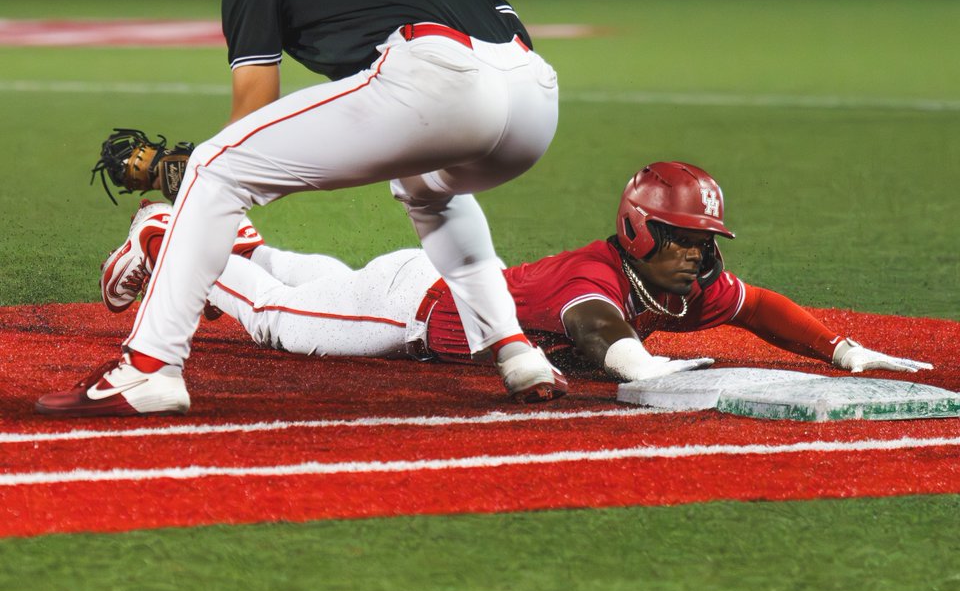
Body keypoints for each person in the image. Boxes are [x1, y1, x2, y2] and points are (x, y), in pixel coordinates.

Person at [36, 0, 570, 418]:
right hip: (533, 95)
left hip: (436, 79)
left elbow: (253, 107)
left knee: (214, 170)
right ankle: (517, 353)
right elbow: (505, 25)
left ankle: (148, 370)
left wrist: (200, 181)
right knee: (428, 190)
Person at [52, 162, 931, 411]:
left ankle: (228, 236)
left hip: (425, 286)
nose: (702, 258)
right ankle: (172, 234)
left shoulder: (681, 282)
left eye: (707, 243)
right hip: (406, 315)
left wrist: (843, 349)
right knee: (277, 319)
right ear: (640, 230)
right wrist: (643, 371)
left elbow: (760, 305)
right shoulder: (600, 274)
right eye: (687, 240)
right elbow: (593, 328)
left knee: (293, 279)